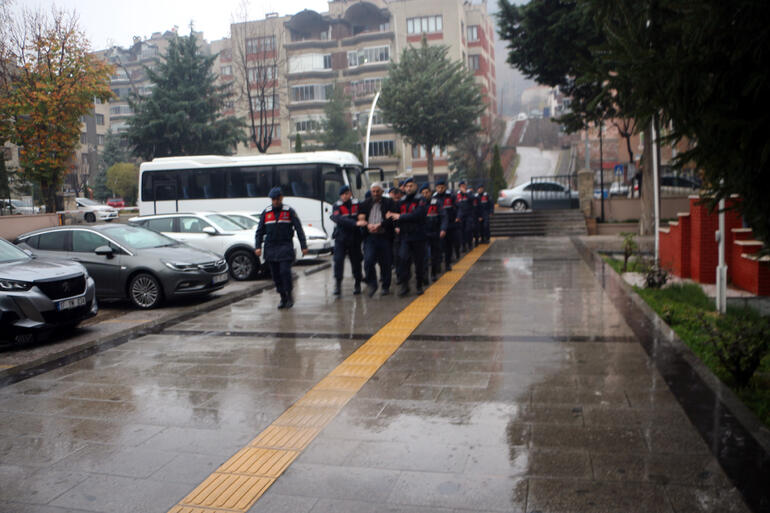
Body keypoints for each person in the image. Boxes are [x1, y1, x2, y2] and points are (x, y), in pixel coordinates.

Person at [255, 187, 308, 309]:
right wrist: (257, 246)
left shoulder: (289, 211)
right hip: (271, 248)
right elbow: (259, 231)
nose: (275, 201)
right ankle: (282, 296)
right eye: (273, 199)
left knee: (284, 272)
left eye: (277, 199)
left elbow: (299, 229)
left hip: (285, 246)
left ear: (281, 198)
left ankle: (289, 295)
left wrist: (303, 246)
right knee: (275, 275)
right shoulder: (266, 212)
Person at [386, 178, 427, 296]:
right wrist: (396, 224)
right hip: (405, 237)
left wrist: (401, 217)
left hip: (418, 236)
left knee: (419, 262)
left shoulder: (421, 200)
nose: (408, 188)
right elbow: (395, 216)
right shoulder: (402, 201)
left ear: (415, 186)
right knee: (403, 260)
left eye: (411, 186)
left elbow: (418, 214)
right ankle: (405, 286)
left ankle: (419, 285)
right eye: (406, 186)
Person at [358, 183, 398, 296]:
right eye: (373, 191)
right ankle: (372, 284)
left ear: (382, 192)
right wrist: (367, 225)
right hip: (370, 237)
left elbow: (392, 218)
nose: (375, 193)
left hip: (384, 236)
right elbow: (361, 217)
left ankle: (385, 286)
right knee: (368, 261)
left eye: (377, 191)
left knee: (385, 263)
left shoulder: (389, 203)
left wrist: (380, 225)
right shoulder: (365, 203)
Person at [331, 185, 365, 295]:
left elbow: (362, 215)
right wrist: (354, 223)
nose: (345, 196)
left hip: (354, 237)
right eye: (343, 194)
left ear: (350, 194)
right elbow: (339, 219)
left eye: (347, 194)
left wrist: (361, 219)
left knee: (356, 261)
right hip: (341, 237)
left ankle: (357, 283)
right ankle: (338, 284)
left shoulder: (357, 204)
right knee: (338, 260)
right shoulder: (337, 205)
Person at [423, 183, 448, 282]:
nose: (425, 195)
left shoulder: (436, 202)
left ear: (430, 193)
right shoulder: (420, 203)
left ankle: (433, 273)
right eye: (423, 193)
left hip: (435, 232)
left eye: (427, 192)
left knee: (434, 255)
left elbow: (443, 216)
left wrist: (443, 229)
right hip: (424, 233)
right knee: (424, 256)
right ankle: (424, 276)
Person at [434, 179, 459, 270]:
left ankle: (447, 264)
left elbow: (457, 207)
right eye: (438, 187)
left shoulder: (451, 196)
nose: (440, 189)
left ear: (445, 187)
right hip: (438, 226)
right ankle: (438, 264)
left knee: (448, 245)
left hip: (450, 225)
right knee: (439, 246)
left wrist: (457, 217)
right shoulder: (434, 198)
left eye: (442, 187)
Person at [388, 186, 404, 284]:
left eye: (398, 198)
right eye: (395, 198)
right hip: (392, 234)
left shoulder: (404, 204)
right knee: (396, 256)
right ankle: (399, 275)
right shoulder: (388, 205)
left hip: (405, 233)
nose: (396, 201)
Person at [456, 180, 474, 252]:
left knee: (468, 230)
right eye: (461, 186)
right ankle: (463, 246)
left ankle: (469, 243)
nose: (463, 187)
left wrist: (465, 193)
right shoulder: (457, 194)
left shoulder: (469, 192)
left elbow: (472, 199)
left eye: (464, 185)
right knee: (462, 231)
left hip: (469, 215)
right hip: (461, 215)